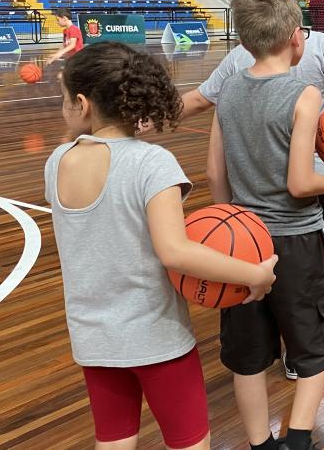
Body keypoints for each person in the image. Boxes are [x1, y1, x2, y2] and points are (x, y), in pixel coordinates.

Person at [44, 42, 277, 450]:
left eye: (65, 98)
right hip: (156, 337)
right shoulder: (151, 163)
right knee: (189, 443)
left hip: (94, 339)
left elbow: (81, 140)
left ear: (82, 104)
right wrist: (254, 274)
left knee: (114, 440)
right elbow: (176, 251)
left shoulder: (58, 161)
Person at [208, 0, 324, 450]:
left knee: (247, 356)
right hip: (297, 242)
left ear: (243, 41)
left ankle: (261, 445)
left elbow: (212, 173)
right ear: (297, 39)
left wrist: (233, 225)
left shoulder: (228, 92)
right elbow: (301, 183)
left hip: (244, 243)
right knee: (317, 346)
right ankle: (298, 440)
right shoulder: (303, 96)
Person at [181, 0, 324, 275]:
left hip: (252, 182)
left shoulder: (238, 60)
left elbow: (198, 103)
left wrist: (142, 116)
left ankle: (264, 281)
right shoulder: (322, 47)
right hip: (320, 173)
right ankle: (308, 281)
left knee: (256, 249)